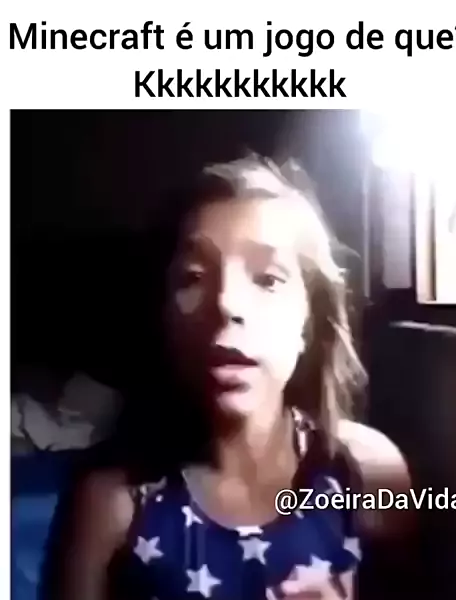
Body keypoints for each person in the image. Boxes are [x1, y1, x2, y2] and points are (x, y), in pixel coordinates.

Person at [53, 156, 411, 600]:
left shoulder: (365, 473)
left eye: (268, 279)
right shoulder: (111, 502)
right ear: (163, 316)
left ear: (309, 322)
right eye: (193, 277)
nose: (226, 302)